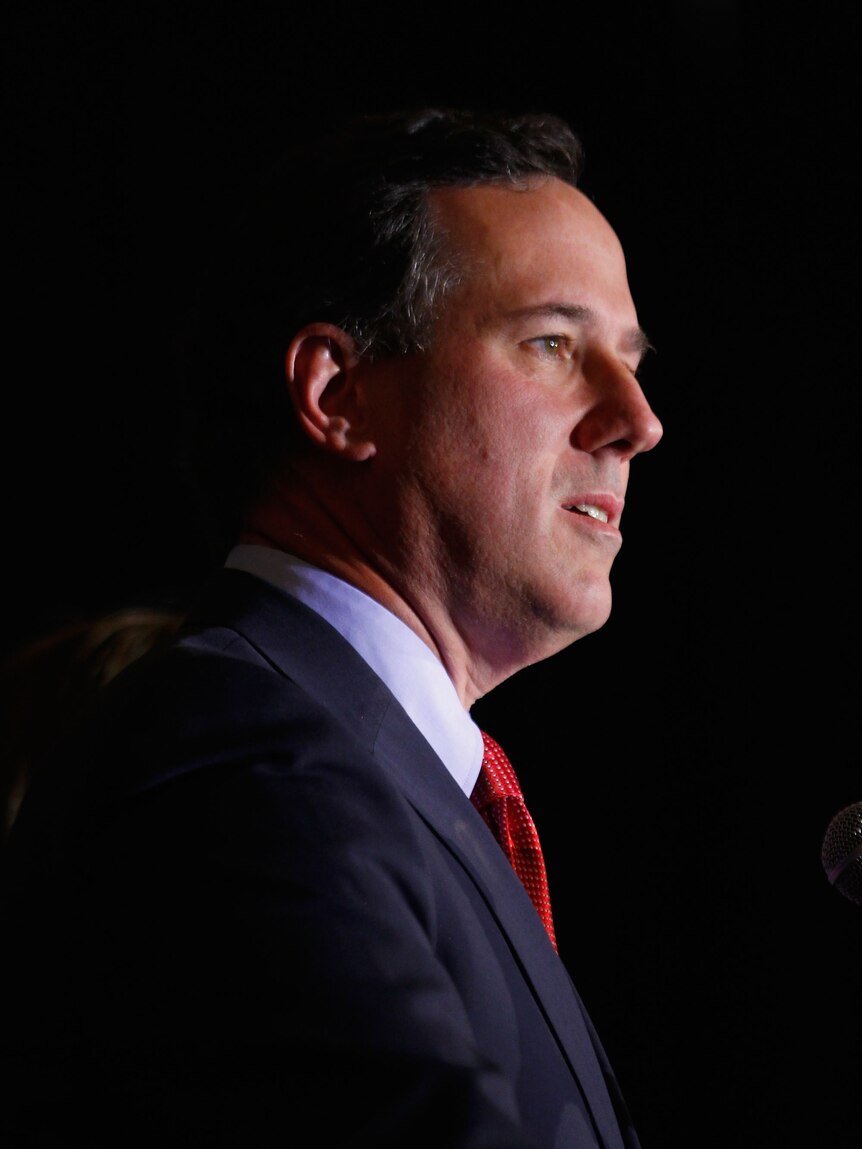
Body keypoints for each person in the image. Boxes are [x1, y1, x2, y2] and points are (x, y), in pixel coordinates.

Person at [1, 107, 663, 1148]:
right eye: (551, 343)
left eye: (628, 358)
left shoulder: (365, 770)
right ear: (337, 394)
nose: (636, 418)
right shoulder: (243, 768)